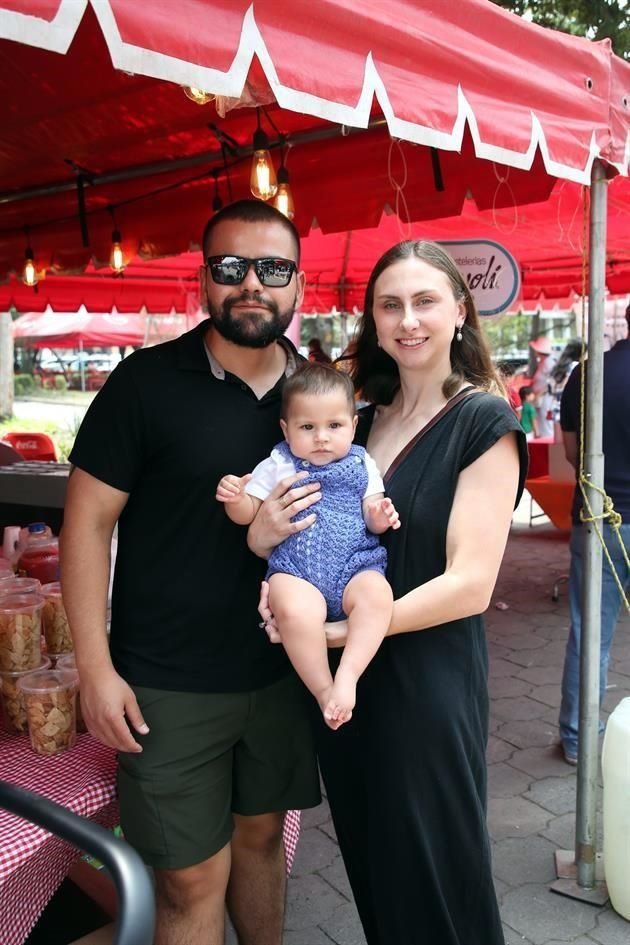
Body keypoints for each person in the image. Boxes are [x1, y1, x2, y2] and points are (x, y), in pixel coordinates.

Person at [59, 199, 322, 945]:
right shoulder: (144, 383)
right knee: (187, 879)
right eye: (230, 267)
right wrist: (93, 664)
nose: (251, 285)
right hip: (167, 686)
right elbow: (87, 524)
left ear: (297, 286)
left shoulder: (319, 397)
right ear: (204, 281)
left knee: (262, 841)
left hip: (280, 675)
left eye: (271, 269)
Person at [251, 239, 528, 944]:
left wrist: (341, 636)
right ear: (373, 321)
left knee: (436, 888)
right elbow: (314, 536)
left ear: (460, 311)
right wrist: (286, 589)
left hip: (425, 689)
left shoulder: (483, 423)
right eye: (390, 304)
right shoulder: (358, 423)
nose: (408, 319)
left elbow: (470, 584)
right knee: (380, 885)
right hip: (352, 696)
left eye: (426, 300)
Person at [216, 363, 400, 729]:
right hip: (297, 570)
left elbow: (371, 510)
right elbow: (250, 512)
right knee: (294, 614)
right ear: (286, 429)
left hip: (354, 565)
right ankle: (323, 690)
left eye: (334, 426)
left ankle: (348, 676)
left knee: (378, 597)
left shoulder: (362, 462)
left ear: (353, 424)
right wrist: (235, 498)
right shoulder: (279, 462)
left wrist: (381, 515)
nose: (321, 438)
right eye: (307, 427)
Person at [558, 304, 630, 766]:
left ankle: (577, 738)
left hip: (600, 518)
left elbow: (572, 451)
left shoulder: (588, 373)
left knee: (590, 633)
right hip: (603, 519)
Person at [549, 338, 583, 425]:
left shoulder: (559, 366)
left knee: (559, 438)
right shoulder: (575, 366)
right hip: (570, 406)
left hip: (556, 405)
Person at [529, 334, 557, 437]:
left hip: (545, 398)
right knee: (541, 423)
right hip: (540, 398)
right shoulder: (543, 362)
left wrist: (539, 393)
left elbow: (552, 382)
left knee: (545, 424)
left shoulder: (549, 363)